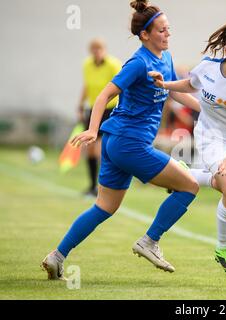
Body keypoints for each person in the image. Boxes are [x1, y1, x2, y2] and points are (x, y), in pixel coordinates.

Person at [41, 0, 200, 280]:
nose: (167, 34)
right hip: (129, 144)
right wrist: (93, 130)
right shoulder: (138, 63)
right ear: (145, 35)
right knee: (189, 185)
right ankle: (150, 241)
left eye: (168, 29)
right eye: (162, 30)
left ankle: (57, 256)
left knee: (104, 207)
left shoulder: (166, 58)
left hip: (119, 144)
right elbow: (104, 95)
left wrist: (209, 111)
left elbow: (175, 91)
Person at [149, 19, 226, 274]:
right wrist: (165, 84)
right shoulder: (208, 68)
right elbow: (190, 86)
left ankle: (185, 174)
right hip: (209, 135)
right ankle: (223, 249)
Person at [78, 38, 122, 197]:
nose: (97, 52)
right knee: (90, 150)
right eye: (94, 49)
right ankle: (92, 186)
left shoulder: (113, 64)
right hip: (94, 109)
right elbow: (87, 86)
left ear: (104, 49)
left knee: (102, 149)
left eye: (100, 49)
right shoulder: (87, 65)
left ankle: (105, 186)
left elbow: (120, 87)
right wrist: (80, 105)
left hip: (110, 109)